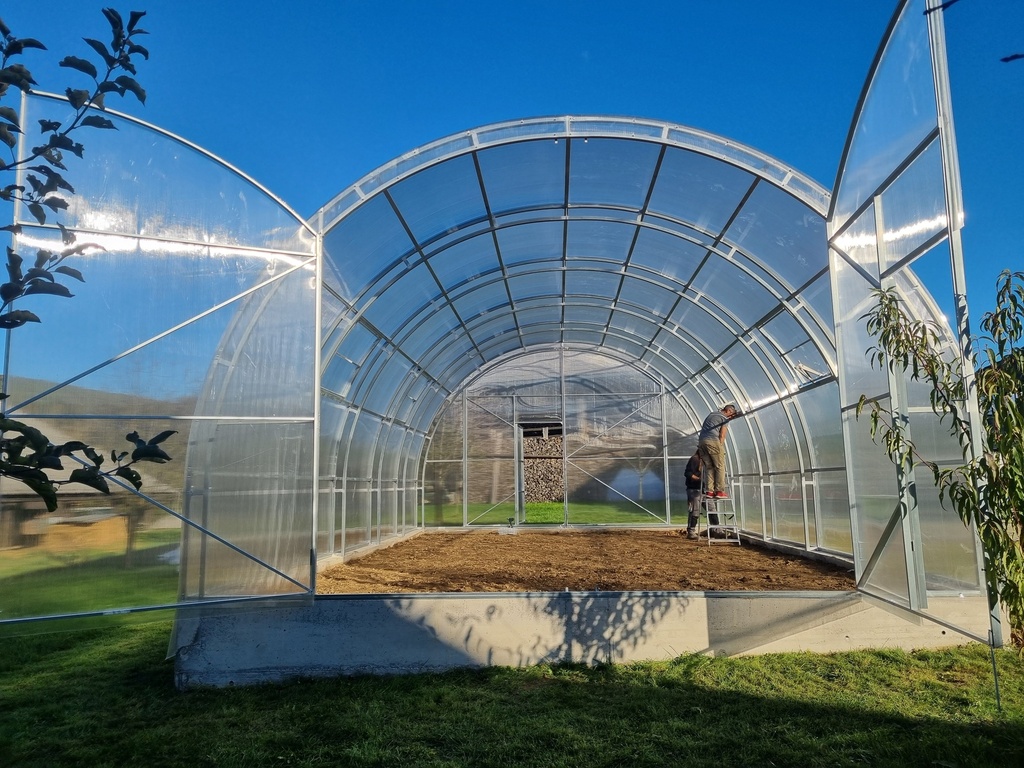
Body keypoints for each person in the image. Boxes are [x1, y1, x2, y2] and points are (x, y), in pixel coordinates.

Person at [697, 403, 739, 499]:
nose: (731, 417)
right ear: (728, 411)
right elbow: (722, 435)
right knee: (720, 466)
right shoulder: (724, 418)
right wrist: (720, 446)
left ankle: (709, 491)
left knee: (709, 467)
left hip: (702, 442)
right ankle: (720, 491)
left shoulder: (711, 414)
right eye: (731, 415)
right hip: (712, 441)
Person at [683, 451, 703, 539]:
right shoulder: (695, 459)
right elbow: (688, 473)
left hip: (704, 489)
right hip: (694, 489)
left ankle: (716, 529)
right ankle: (691, 531)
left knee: (711, 508)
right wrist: (698, 479)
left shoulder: (707, 460)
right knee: (695, 510)